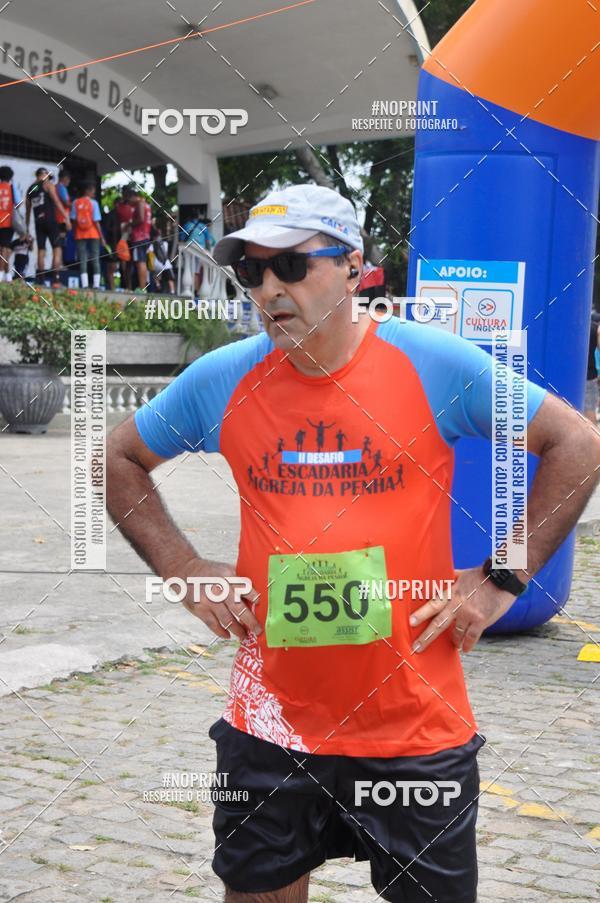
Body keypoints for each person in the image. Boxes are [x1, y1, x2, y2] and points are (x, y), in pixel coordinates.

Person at [106, 185, 600, 903]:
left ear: (354, 266)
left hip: (413, 728)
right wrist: (184, 567)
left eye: (291, 266)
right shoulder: (226, 378)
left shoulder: (431, 364)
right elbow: (118, 458)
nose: (270, 287)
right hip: (270, 727)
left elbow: (576, 443)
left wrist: (502, 574)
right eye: (252, 271)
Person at [25, 167, 71, 287]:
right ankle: (55, 279)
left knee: (41, 250)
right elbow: (57, 202)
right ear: (43, 174)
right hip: (50, 221)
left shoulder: (31, 189)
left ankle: (41, 279)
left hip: (38, 222)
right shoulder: (48, 185)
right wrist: (66, 217)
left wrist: (26, 229)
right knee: (57, 249)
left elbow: (27, 211)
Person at [70, 182, 105, 289]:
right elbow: (96, 221)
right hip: (93, 233)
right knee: (95, 258)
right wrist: (101, 237)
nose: (94, 193)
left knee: (83, 259)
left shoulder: (75, 202)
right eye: (93, 191)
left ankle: (85, 284)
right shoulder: (93, 203)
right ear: (88, 191)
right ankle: (96, 284)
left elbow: (74, 220)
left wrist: (75, 232)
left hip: (80, 234)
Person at [180, 208, 215, 293]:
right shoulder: (202, 226)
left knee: (188, 268)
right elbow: (211, 241)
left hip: (188, 249)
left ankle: (188, 289)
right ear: (198, 217)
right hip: (199, 250)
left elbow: (182, 238)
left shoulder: (186, 225)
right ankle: (195, 290)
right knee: (196, 271)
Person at [0, 165, 23, 283]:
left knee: (2, 249)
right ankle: (4, 274)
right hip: (8, 222)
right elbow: (18, 204)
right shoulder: (12, 188)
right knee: (6, 248)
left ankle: (6, 274)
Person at [130, 187, 152, 290]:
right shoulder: (146, 204)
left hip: (139, 238)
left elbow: (141, 219)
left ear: (133, 197)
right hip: (146, 236)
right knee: (142, 262)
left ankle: (142, 287)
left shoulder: (139, 203)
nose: (129, 203)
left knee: (140, 262)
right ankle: (143, 286)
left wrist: (130, 224)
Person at [114, 185, 136, 289]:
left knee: (130, 263)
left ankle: (130, 285)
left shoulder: (135, 206)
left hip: (133, 237)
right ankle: (126, 284)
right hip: (123, 237)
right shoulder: (119, 206)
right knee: (124, 261)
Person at [585, 312, 600, 423]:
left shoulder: (576, 327)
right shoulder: (594, 328)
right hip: (591, 375)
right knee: (590, 409)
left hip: (575, 375)